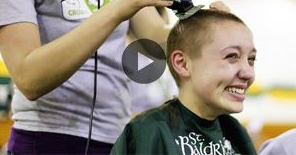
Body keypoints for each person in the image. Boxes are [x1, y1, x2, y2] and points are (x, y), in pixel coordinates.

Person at [0, 0, 184, 154]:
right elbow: (28, 78)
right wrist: (115, 9)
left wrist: (204, 25)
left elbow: (155, 36)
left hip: (116, 136)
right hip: (48, 136)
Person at [111, 9, 258, 154]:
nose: (248, 73)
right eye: (231, 56)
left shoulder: (236, 133)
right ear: (182, 64)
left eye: (251, 59)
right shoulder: (149, 132)